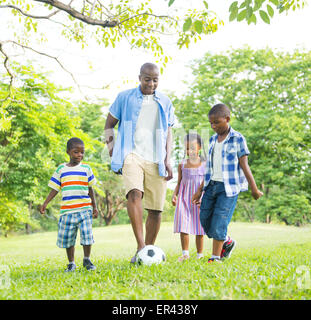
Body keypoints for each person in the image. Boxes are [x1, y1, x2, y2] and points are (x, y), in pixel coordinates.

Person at [104, 62, 174, 263]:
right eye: (147, 79)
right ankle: (142, 246)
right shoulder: (124, 97)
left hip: (156, 158)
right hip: (131, 154)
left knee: (156, 209)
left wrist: (168, 159)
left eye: (155, 79)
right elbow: (109, 125)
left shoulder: (165, 101)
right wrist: (113, 153)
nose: (151, 83)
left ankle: (144, 251)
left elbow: (169, 131)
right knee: (134, 193)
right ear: (139, 77)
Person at [192, 104, 263, 263]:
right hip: (211, 186)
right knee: (205, 219)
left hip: (229, 189)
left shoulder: (238, 138)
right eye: (211, 123)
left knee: (219, 221)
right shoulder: (211, 140)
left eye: (216, 122)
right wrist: (199, 190)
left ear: (227, 119)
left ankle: (215, 257)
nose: (213, 126)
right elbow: (208, 168)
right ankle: (227, 242)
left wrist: (254, 189)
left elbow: (245, 165)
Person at [40, 137, 98, 272]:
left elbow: (91, 189)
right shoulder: (61, 169)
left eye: (82, 152)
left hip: (84, 209)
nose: (80, 155)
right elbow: (55, 188)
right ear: (68, 152)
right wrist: (45, 203)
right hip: (67, 211)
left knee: (87, 235)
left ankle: (86, 259)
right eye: (76, 152)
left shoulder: (86, 169)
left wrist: (94, 207)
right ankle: (71, 263)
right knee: (68, 238)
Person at [172, 133, 206, 261]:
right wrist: (174, 195)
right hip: (184, 199)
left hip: (199, 199)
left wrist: (205, 197)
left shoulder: (205, 163)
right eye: (186, 148)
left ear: (200, 147)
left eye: (192, 148)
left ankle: (200, 254)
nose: (189, 151)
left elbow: (207, 182)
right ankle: (185, 253)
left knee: (199, 227)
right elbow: (179, 182)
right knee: (183, 226)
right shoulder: (182, 164)